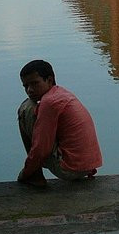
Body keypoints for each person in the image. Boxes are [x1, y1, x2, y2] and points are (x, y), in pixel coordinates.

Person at [17, 59, 101, 187]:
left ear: (49, 80)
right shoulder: (61, 94)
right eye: (26, 86)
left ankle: (35, 176)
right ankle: (34, 172)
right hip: (87, 165)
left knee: (26, 108)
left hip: (70, 168)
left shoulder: (49, 102)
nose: (30, 90)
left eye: (34, 84)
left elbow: (41, 149)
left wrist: (25, 172)